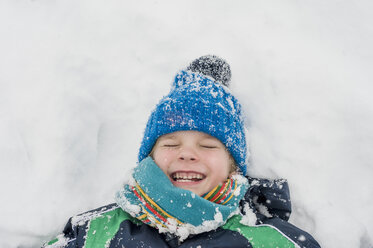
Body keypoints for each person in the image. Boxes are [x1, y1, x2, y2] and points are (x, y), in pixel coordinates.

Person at [43, 55, 321, 248]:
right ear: (149, 157)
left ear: (233, 167)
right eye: (171, 144)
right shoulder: (93, 231)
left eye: (209, 145)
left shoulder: (274, 241)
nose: (187, 154)